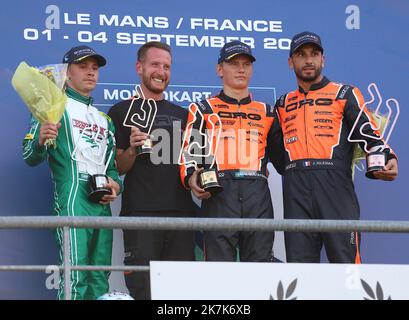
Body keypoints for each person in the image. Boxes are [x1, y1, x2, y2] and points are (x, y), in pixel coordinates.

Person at [274, 31, 398, 263]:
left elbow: (368, 132)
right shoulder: (282, 103)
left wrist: (387, 155)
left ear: (323, 59)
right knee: (299, 267)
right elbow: (276, 152)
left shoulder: (344, 93)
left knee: (346, 264)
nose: (308, 60)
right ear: (291, 62)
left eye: (314, 54)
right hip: (295, 187)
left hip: (335, 185)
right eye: (301, 55)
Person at [22, 45, 122, 299]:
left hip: (102, 202)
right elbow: (30, 156)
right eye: (83, 66)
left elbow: (112, 169)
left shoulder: (104, 119)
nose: (90, 73)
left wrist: (115, 185)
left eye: (95, 68)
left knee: (100, 277)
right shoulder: (56, 107)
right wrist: (41, 140)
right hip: (73, 195)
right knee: (75, 275)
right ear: (67, 73)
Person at [108, 41, 196, 300]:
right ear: (139, 67)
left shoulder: (186, 114)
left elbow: (195, 163)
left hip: (182, 217)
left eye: (166, 66)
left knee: (180, 295)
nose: (161, 71)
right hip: (140, 215)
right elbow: (117, 169)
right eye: (155, 64)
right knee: (143, 291)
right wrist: (133, 149)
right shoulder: (121, 111)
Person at [180, 41, 282, 262]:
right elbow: (189, 153)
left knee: (260, 266)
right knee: (219, 268)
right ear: (220, 70)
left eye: (246, 64)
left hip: (258, 195)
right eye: (234, 63)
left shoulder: (267, 112)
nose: (241, 69)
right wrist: (191, 178)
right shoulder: (203, 109)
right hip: (219, 192)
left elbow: (284, 159)